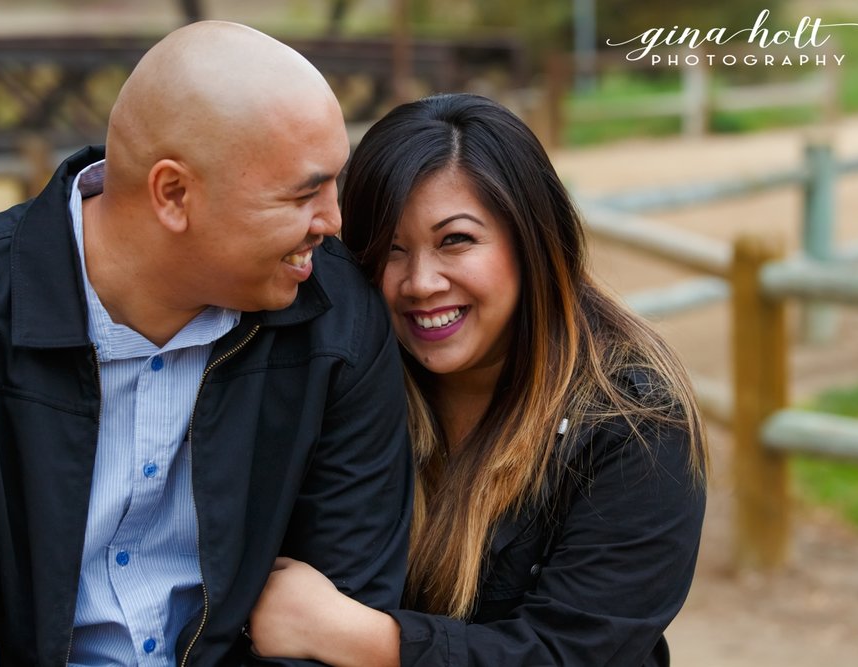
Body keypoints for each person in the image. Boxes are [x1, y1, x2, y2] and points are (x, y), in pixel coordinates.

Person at [0, 21, 412, 666]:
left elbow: (344, 596)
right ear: (173, 193)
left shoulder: (339, 320)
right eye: (304, 194)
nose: (333, 223)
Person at [248, 93, 708, 666]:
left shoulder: (633, 422)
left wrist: (353, 636)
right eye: (390, 250)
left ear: (532, 239)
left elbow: (573, 652)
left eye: (455, 241)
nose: (420, 282)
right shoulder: (343, 386)